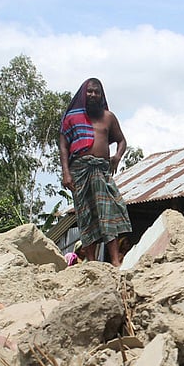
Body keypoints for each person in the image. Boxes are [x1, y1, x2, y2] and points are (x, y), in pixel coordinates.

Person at [59, 78, 132, 266]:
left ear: (101, 95)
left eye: (96, 92)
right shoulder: (71, 118)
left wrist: (117, 157)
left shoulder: (108, 117)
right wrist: (66, 173)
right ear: (84, 94)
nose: (93, 95)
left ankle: (115, 260)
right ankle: (91, 262)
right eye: (89, 91)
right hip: (79, 170)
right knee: (86, 214)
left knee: (108, 212)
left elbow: (122, 140)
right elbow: (63, 147)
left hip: (101, 169)